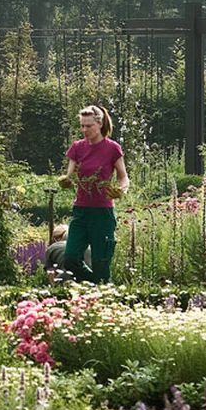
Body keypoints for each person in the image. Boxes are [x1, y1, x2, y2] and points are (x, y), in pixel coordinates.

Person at [58, 104, 128, 282]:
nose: (84, 129)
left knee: (101, 262)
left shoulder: (112, 148)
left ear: (99, 124)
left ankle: (101, 288)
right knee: (71, 258)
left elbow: (123, 177)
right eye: (82, 125)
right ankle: (97, 285)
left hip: (103, 213)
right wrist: (65, 180)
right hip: (81, 211)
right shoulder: (77, 147)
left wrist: (120, 190)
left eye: (88, 126)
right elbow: (69, 174)